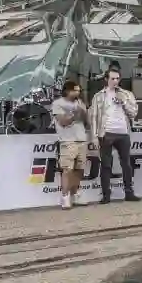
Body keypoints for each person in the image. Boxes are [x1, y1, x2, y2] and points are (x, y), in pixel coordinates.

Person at [89, 68, 140, 203]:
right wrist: (94, 136)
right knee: (106, 164)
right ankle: (106, 195)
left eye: (117, 78)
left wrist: (123, 102)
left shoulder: (127, 94)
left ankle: (129, 193)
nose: (115, 81)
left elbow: (134, 113)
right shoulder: (99, 96)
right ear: (106, 79)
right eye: (112, 78)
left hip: (123, 132)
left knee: (126, 164)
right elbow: (93, 117)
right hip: (106, 132)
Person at [51, 81, 90, 209]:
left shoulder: (80, 103)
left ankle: (76, 194)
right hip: (67, 140)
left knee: (79, 169)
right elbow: (62, 122)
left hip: (81, 139)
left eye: (79, 90)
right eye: (75, 90)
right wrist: (74, 115)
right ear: (67, 91)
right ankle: (65, 197)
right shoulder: (58, 104)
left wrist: (83, 112)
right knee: (67, 169)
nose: (78, 93)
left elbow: (86, 122)